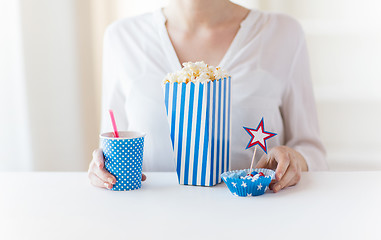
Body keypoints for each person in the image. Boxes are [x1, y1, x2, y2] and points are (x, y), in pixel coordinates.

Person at [88, 0, 328, 192]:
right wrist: (102, 168)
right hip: (152, 221)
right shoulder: (122, 38)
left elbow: (312, 150)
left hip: (255, 221)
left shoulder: (283, 34)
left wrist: (296, 160)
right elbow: (112, 141)